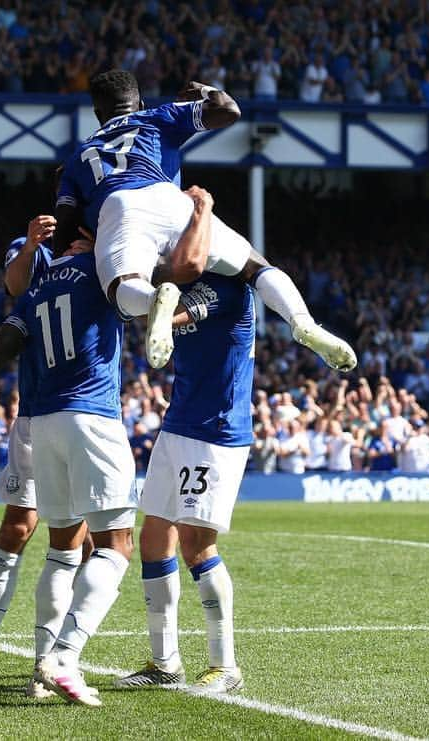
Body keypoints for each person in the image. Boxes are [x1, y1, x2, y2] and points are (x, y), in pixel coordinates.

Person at [0, 249, 136, 708]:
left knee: (68, 547)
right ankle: (8, 649)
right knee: (98, 543)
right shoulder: (90, 266)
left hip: (47, 419)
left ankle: (42, 664)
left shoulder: (42, 283)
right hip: (66, 417)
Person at [52, 69, 356, 373]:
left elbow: (64, 230)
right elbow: (228, 109)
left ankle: (155, 298)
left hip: (120, 206)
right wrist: (203, 90)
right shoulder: (158, 115)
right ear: (140, 103)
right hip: (172, 198)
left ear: (97, 113)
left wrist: (92, 245)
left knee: (122, 289)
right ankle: (301, 321)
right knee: (255, 267)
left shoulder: (77, 157)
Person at [114, 186, 250, 695]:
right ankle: (164, 663)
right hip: (180, 424)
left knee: (196, 543)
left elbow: (176, 317)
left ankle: (225, 665)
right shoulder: (185, 279)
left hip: (216, 431)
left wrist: (202, 210)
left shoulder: (233, 284)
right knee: (154, 538)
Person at [0, 213, 92, 696]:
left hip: (86, 416)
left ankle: (50, 657)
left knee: (84, 543)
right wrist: (35, 245)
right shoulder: (41, 263)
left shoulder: (98, 263)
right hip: (38, 416)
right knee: (20, 526)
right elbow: (15, 283)